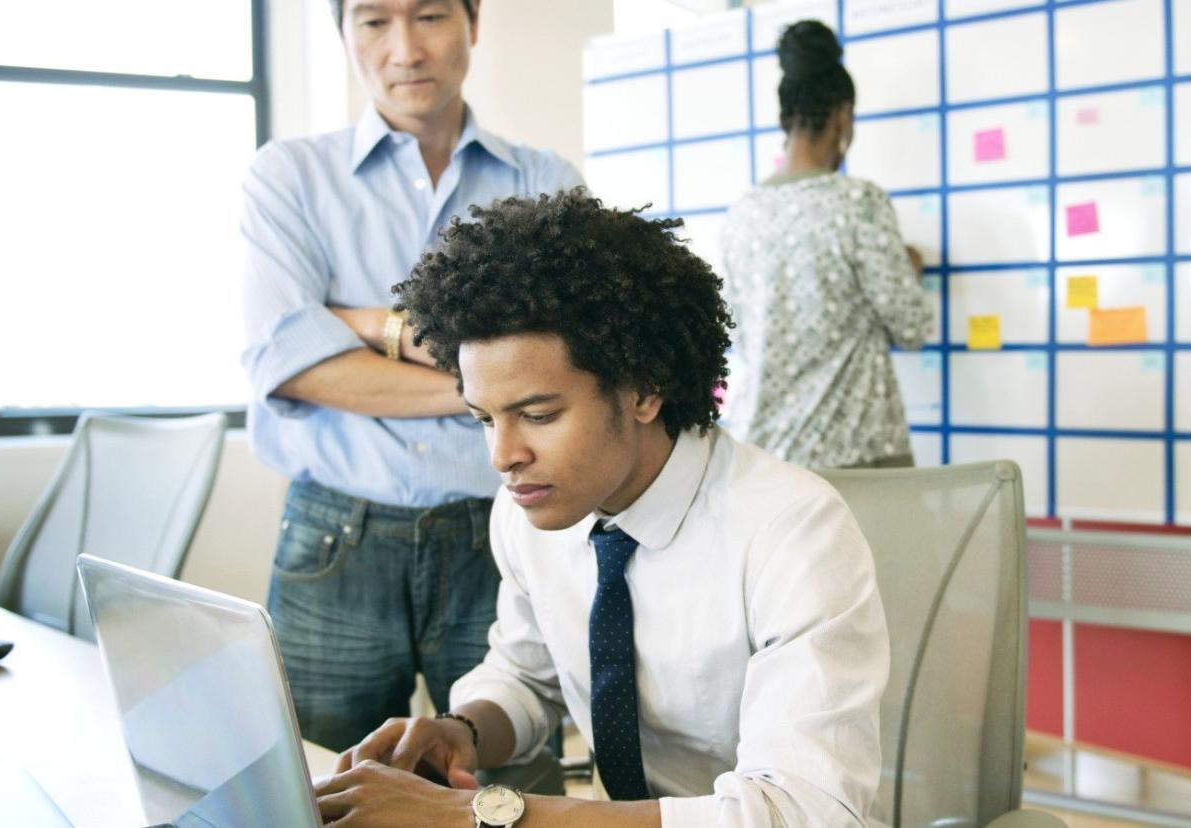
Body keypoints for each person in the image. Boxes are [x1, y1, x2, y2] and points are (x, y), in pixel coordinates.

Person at [312, 189, 890, 827]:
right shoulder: (528, 511)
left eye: (538, 415)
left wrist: (475, 815)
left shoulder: (793, 532)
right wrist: (463, 729)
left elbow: (800, 812)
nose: (504, 456)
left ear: (643, 391)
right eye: (484, 419)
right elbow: (528, 676)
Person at [238, 0, 583, 752]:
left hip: (503, 530)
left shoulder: (543, 180)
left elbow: (564, 357)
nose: (405, 50)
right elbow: (291, 366)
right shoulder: (289, 176)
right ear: (343, 33)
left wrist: (349, 322)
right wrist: (489, 386)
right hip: (336, 537)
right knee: (319, 783)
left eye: (428, 15)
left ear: (473, 21)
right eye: (373, 21)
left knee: (507, 783)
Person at [720, 19, 933, 470]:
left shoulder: (742, 214)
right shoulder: (858, 203)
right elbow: (913, 326)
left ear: (784, 118)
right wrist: (908, 267)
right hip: (855, 459)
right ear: (843, 116)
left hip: (761, 458)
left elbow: (742, 336)